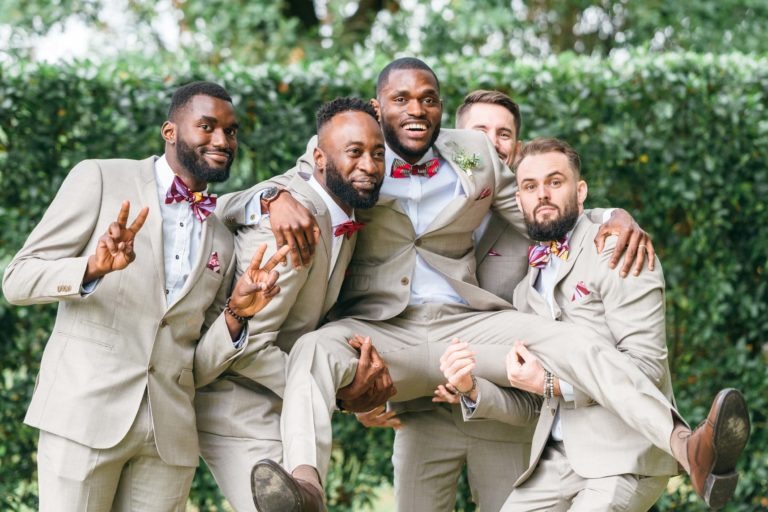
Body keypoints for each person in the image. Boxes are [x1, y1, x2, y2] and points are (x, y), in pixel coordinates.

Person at [250, 57, 748, 512]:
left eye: (429, 99)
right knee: (313, 350)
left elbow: (542, 210)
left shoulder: (473, 154)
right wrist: (272, 197)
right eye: (401, 100)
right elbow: (289, 186)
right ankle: (306, 488)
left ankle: (688, 445)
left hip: (465, 328)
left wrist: (611, 215)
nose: (416, 110)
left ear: (443, 106)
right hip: (382, 333)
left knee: (573, 341)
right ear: (379, 107)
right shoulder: (351, 150)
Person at [2, 81, 289, 511]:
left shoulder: (223, 240)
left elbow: (198, 365)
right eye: (207, 126)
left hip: (167, 438)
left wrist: (235, 315)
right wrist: (92, 268)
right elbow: (18, 280)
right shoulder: (99, 177)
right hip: (84, 416)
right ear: (169, 131)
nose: (222, 141)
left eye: (230, 132)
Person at [442, 137, 692, 510]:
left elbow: (646, 368)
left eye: (554, 182)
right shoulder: (526, 291)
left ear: (580, 191)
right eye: (530, 186)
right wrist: (472, 390)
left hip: (622, 455)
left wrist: (553, 383)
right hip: (554, 460)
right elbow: (532, 403)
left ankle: (689, 444)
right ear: (520, 199)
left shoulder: (618, 248)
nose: (542, 194)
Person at [193, 97, 394, 511]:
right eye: (354, 153)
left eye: (378, 154)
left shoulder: (342, 206)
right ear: (319, 158)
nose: (371, 166)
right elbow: (249, 348)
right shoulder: (288, 228)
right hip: (237, 403)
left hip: (280, 403)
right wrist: (335, 393)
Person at [358, 90, 538, 512]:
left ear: (517, 146)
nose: (492, 142)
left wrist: (611, 218)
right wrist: (360, 394)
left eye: (505, 133)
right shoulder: (407, 202)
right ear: (455, 138)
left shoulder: (532, 220)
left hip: (504, 413)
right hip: (422, 413)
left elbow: (573, 223)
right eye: (480, 131)